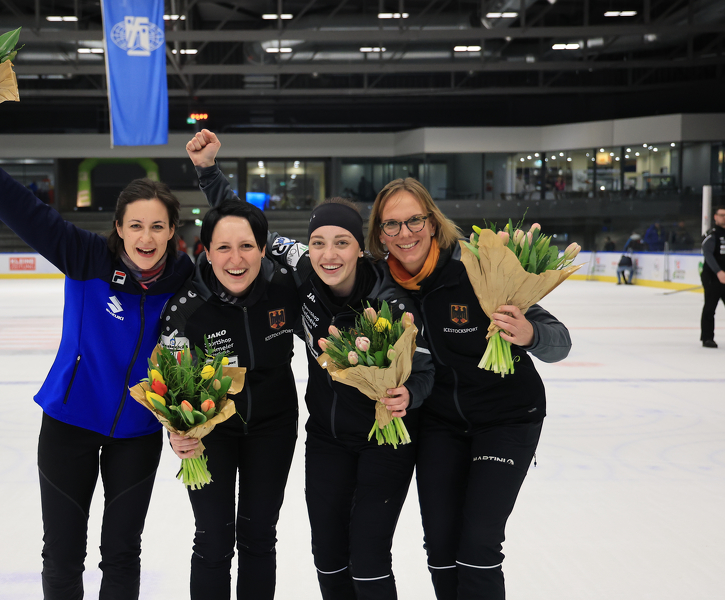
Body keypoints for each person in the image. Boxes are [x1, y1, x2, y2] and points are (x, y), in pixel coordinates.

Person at [0, 106, 194, 600]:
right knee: (63, 554)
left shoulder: (186, 282)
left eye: (158, 227)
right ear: (119, 227)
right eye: (136, 226)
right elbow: (22, 208)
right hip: (69, 425)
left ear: (173, 230)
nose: (146, 238)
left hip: (138, 431)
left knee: (122, 554)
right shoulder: (85, 257)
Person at [187, 129, 435, 600]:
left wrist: (410, 393)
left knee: (367, 558)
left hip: (385, 439)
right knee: (328, 557)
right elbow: (241, 226)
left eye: (341, 242)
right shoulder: (303, 269)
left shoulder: (389, 297)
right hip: (326, 439)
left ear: (360, 247)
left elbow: (423, 367)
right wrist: (207, 172)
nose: (328, 254)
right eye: (318, 242)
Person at [366, 178, 572, 600]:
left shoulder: (479, 269)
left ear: (432, 221)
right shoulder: (384, 288)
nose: (404, 233)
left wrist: (529, 332)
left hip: (507, 419)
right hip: (441, 423)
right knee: (441, 547)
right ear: (379, 233)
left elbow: (560, 341)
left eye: (413, 220)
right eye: (392, 225)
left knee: (478, 544)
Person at [161, 199, 302, 600]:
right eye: (223, 247)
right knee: (213, 540)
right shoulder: (186, 309)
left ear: (262, 248)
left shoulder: (285, 290)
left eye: (246, 246)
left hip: (273, 427)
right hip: (210, 434)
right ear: (205, 250)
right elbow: (168, 382)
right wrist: (175, 430)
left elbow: (328, 329)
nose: (235, 259)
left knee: (259, 536)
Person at [700, 206, 725, 348]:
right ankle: (707, 337)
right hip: (713, 277)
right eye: (721, 215)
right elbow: (708, 254)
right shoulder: (712, 234)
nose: (724, 217)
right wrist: (718, 272)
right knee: (710, 307)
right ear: (715, 217)